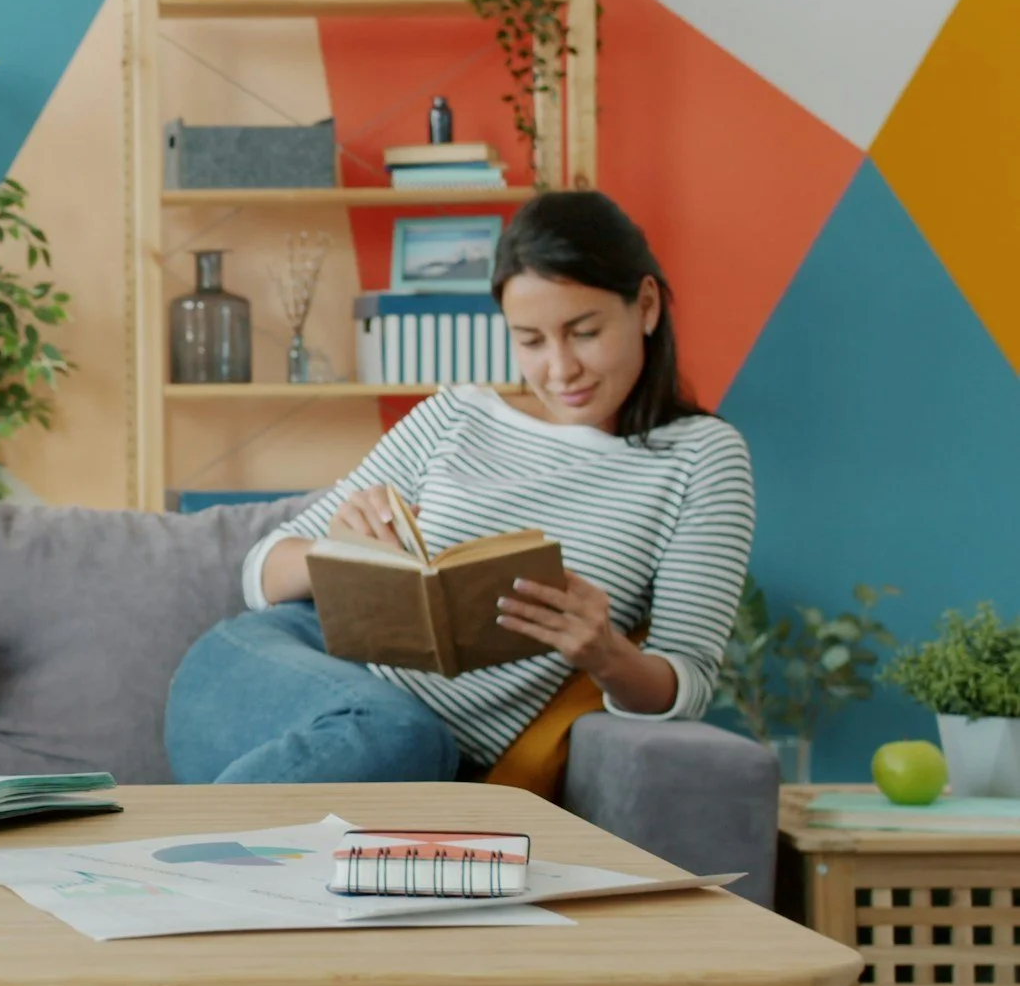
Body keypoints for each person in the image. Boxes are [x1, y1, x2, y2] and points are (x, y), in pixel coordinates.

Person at [164, 191, 755, 785]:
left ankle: (180, 859)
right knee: (400, 734)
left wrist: (606, 655)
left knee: (409, 740)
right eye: (530, 341)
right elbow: (261, 573)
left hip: (402, 758)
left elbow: (688, 682)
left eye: (584, 332)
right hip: (274, 668)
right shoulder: (456, 414)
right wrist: (340, 553)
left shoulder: (701, 459)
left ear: (646, 305)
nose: (559, 368)